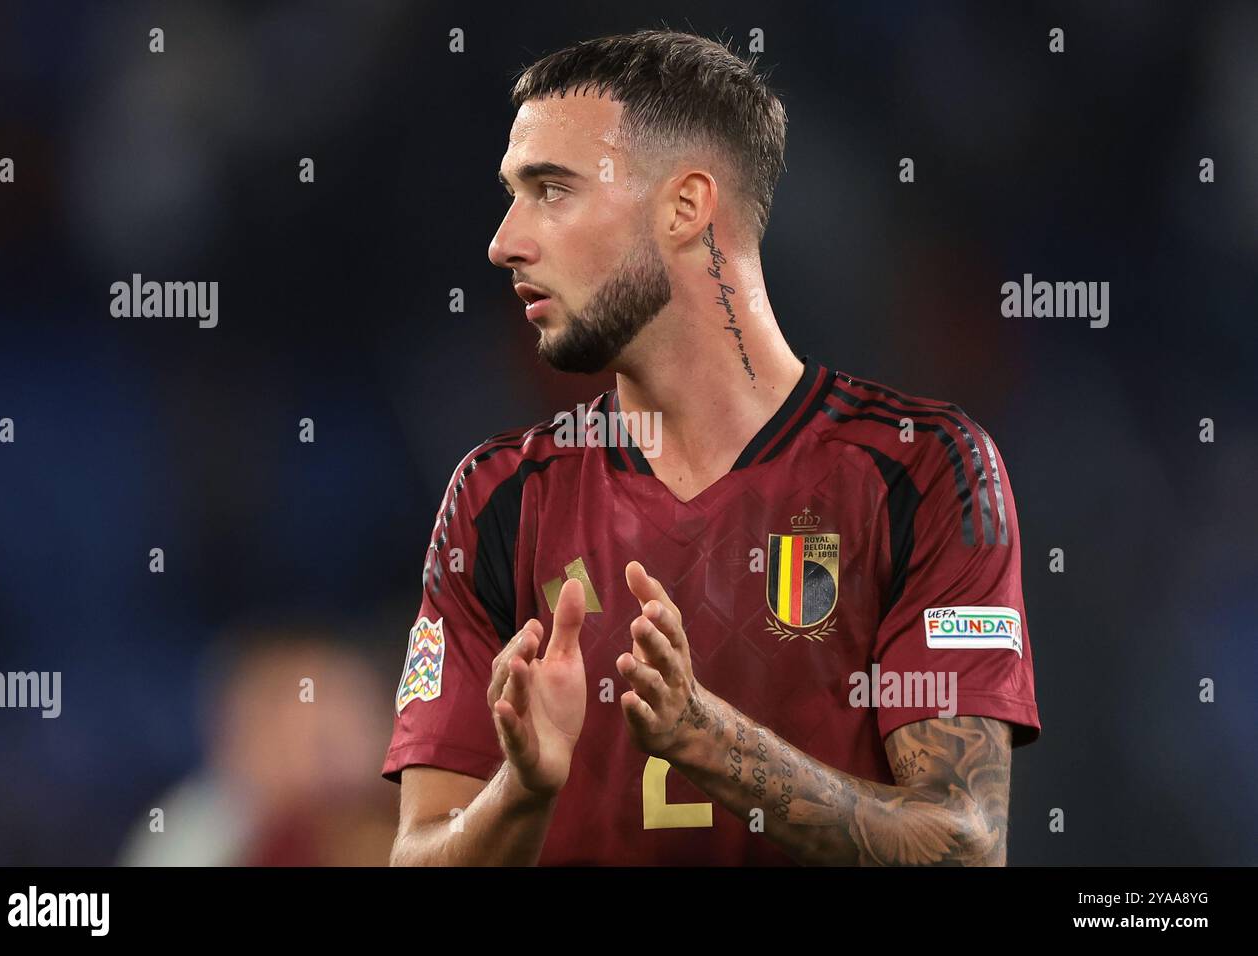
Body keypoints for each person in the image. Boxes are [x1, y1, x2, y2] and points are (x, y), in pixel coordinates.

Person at [385, 29, 1039, 865]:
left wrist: (707, 740)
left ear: (686, 207)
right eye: (513, 195)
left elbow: (967, 844)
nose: (504, 240)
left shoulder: (923, 469)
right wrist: (523, 790)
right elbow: (418, 851)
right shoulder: (497, 497)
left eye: (551, 191)